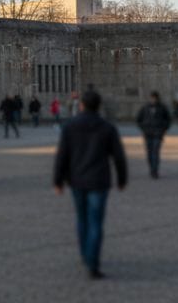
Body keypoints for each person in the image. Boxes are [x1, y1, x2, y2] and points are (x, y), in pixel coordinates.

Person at [53, 90, 127, 280]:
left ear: (82, 105)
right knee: (96, 222)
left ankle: (86, 255)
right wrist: (122, 179)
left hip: (77, 180)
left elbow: (62, 155)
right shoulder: (107, 127)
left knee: (82, 218)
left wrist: (58, 180)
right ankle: (93, 263)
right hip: (99, 180)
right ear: (98, 106)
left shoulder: (70, 126)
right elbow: (118, 156)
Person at [135, 91, 172, 179]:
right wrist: (143, 128)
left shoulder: (162, 107)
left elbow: (168, 119)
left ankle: (155, 171)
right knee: (149, 153)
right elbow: (138, 119)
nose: (153, 100)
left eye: (154, 98)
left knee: (155, 152)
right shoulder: (145, 107)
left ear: (157, 98)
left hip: (158, 133)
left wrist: (163, 129)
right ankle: (151, 168)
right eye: (152, 98)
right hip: (147, 133)